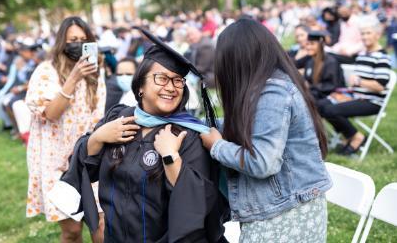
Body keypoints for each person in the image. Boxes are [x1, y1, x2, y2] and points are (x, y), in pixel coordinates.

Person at [55, 27, 229, 242]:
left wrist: (170, 157)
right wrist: (98, 137)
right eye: (161, 78)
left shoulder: (189, 134)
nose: (171, 87)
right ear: (140, 86)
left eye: (177, 81)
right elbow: (82, 166)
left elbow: (199, 202)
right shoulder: (119, 118)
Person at [200, 18, 332, 242]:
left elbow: (263, 162)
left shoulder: (272, 94)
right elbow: (252, 128)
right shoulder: (269, 87)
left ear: (237, 60)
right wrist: (204, 125)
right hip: (278, 207)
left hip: (287, 214)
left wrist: (216, 146)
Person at [25, 16, 106, 242]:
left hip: (87, 156)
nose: (78, 44)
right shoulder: (45, 71)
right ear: (62, 42)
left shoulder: (95, 73)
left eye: (83, 39)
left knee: (101, 224)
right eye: (73, 39)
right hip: (55, 162)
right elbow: (51, 113)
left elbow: (98, 115)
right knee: (72, 231)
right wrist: (73, 78)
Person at [318, 16, 391, 155]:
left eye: (368, 33)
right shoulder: (362, 54)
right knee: (319, 105)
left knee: (331, 111)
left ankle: (356, 137)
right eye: (362, 33)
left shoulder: (382, 57)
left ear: (378, 35)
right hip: (354, 96)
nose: (364, 37)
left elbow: (380, 86)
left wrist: (359, 81)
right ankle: (349, 136)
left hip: (371, 101)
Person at [299, 31, 344, 101]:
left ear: (320, 45)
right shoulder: (309, 62)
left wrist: (311, 87)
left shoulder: (331, 62)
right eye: (307, 44)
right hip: (314, 94)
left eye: (312, 44)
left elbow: (331, 86)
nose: (309, 47)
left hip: (328, 96)